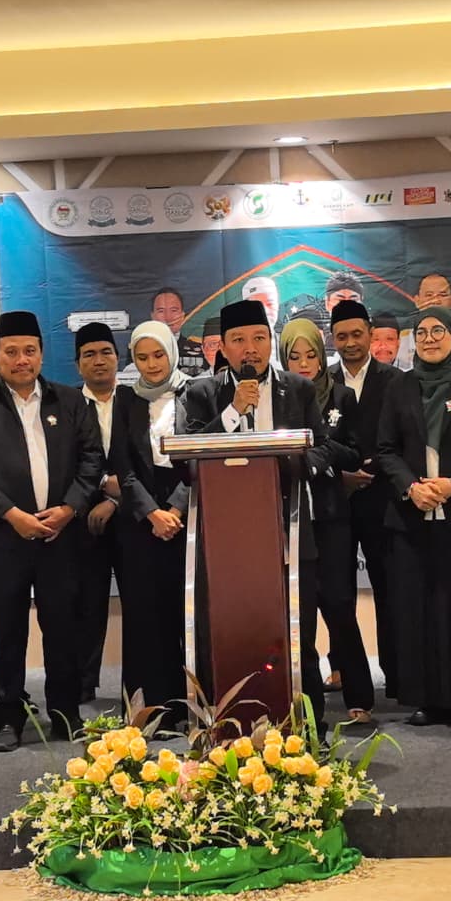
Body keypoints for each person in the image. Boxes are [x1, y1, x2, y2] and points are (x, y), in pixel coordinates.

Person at [0, 310, 105, 749]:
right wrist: (12, 515)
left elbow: (92, 459)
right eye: (12, 352)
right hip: (3, 539)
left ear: (41, 354)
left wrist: (69, 509)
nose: (22, 360)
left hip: (61, 536)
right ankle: (9, 718)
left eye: (30, 351)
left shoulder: (70, 401)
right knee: (6, 631)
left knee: (63, 628)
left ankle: (65, 714)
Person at [182, 299, 332, 732]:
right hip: (227, 540)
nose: (251, 348)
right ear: (224, 348)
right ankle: (226, 724)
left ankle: (308, 726)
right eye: (239, 340)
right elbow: (189, 461)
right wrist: (233, 412)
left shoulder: (298, 389)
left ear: (270, 342)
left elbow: (322, 447)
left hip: (288, 526)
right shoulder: (201, 393)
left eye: (259, 338)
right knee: (230, 632)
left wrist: (291, 462)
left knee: (297, 631)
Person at [377, 304, 451, 726]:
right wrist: (411, 487)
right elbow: (386, 449)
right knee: (418, 609)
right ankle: (428, 700)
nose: (429, 339)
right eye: (422, 332)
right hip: (412, 515)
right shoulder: (399, 386)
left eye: (437, 331)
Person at [282, 317, 373, 723]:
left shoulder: (342, 395)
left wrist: (322, 451)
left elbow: (356, 452)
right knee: (299, 616)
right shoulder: (278, 399)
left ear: (322, 357)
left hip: (333, 517)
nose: (304, 364)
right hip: (291, 520)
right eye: (295, 357)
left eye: (311, 355)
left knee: (339, 607)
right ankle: (307, 705)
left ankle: (360, 697)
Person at [109, 321, 192, 720]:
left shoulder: (196, 392)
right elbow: (122, 465)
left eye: (158, 354)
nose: (152, 364)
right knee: (144, 615)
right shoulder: (126, 399)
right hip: (140, 517)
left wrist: (175, 509)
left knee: (183, 613)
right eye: (142, 357)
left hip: (186, 513)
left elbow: (200, 459)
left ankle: (187, 709)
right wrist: (151, 513)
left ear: (171, 352)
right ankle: (148, 713)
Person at [328, 300, 402, 699]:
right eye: (342, 336)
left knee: (390, 588)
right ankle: (342, 669)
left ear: (371, 335)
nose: (350, 342)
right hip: (337, 501)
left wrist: (374, 471)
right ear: (332, 339)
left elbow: (404, 439)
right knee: (338, 593)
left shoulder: (396, 381)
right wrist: (342, 477)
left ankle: (397, 672)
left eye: (357, 334)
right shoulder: (321, 383)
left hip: (384, 499)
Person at [76, 322, 127, 703]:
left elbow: (145, 458)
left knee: (140, 603)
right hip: (85, 519)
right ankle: (83, 683)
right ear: (78, 363)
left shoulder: (135, 401)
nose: (99, 361)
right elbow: (65, 463)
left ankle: (139, 685)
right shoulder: (67, 406)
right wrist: (99, 492)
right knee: (86, 604)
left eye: (106, 352)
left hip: (132, 515)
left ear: (117, 357)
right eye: (89, 354)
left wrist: (117, 500)